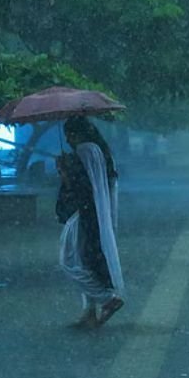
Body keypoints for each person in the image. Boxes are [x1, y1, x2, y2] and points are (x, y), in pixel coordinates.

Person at [57, 116, 124, 328]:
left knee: (70, 261)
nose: (67, 140)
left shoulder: (85, 150)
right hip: (94, 212)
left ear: (77, 134)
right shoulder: (100, 150)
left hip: (85, 213)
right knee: (86, 260)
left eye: (69, 135)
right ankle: (89, 311)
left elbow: (81, 187)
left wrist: (64, 171)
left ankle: (107, 299)